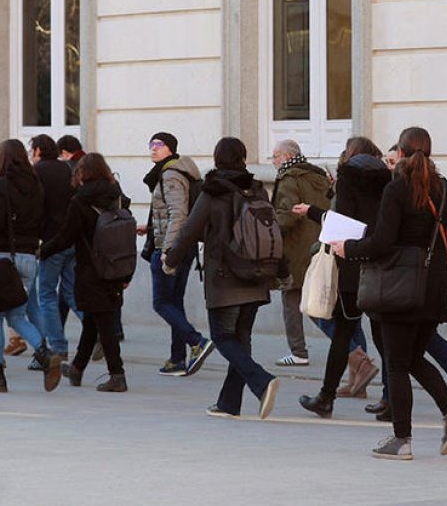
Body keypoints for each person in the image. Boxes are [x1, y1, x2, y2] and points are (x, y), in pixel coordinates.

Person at [334, 127, 447, 460]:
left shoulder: (397, 189)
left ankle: (402, 440)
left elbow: (383, 242)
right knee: (412, 358)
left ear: (400, 151)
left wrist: (349, 248)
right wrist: (434, 255)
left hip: (402, 289)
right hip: (436, 288)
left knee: (397, 364)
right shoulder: (444, 188)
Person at [164, 137, 281, 418]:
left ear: (217, 159)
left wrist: (170, 260)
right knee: (241, 339)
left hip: (225, 278)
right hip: (257, 275)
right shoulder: (257, 189)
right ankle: (229, 403)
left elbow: (190, 230)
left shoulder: (213, 191)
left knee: (222, 336)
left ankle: (262, 381)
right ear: (243, 157)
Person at [295, 137, 390, 417]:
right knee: (383, 336)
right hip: (378, 262)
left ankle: (326, 397)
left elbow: (343, 220)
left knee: (343, 331)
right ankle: (391, 397)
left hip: (350, 265)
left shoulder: (348, 177)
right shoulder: (388, 178)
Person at [41, 153, 132, 393]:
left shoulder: (80, 201)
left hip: (91, 269)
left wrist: (42, 250)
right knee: (94, 319)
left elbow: (65, 237)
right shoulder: (118, 197)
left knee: (104, 323)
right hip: (115, 265)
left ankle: (117, 374)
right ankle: (77, 368)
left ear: (82, 174)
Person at [0, 139, 61, 394]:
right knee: (17, 315)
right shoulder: (37, 186)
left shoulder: (0, 185)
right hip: (28, 256)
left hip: (0, 255)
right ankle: (45, 353)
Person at [139, 131, 212, 377]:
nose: (153, 149)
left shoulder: (170, 174)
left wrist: (168, 251)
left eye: (158, 145)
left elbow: (178, 214)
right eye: (151, 144)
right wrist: (149, 227)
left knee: (161, 302)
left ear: (170, 148)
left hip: (170, 247)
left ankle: (197, 342)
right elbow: (167, 213)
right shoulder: (174, 172)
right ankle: (177, 358)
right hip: (181, 245)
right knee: (174, 301)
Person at [271, 139, 333, 367]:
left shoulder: (289, 178)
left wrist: (268, 227)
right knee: (318, 302)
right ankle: (353, 350)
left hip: (295, 250)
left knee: (293, 301)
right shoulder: (318, 176)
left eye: (275, 156)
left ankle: (298, 352)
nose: (273, 161)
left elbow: (287, 215)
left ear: (286, 157)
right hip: (318, 246)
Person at [31, 134, 79, 362]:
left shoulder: (37, 172)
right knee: (71, 292)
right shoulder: (67, 168)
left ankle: (58, 347)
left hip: (50, 242)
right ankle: (96, 329)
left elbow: (35, 207)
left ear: (38, 150)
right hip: (71, 239)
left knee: (47, 296)